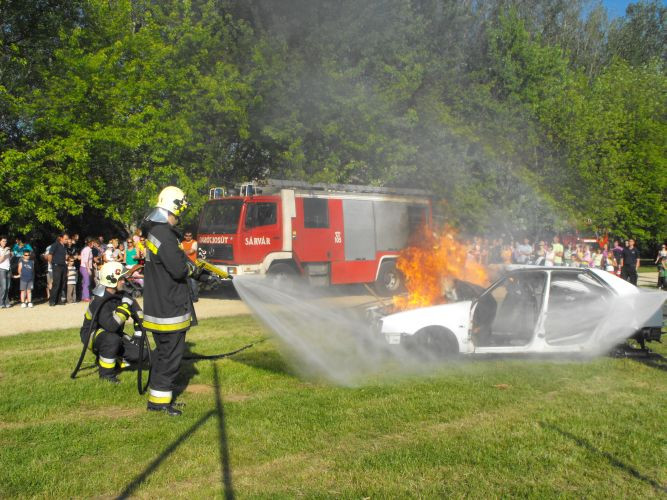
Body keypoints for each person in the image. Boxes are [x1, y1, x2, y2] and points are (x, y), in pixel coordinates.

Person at [142, 186, 217, 416]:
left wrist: (201, 272)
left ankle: (160, 398)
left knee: (165, 353)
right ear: (172, 208)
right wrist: (199, 273)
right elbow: (177, 268)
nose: (179, 218)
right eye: (178, 213)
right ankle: (160, 403)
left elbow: (175, 263)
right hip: (169, 308)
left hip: (160, 304)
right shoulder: (164, 234)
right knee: (170, 356)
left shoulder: (155, 232)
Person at [79, 261, 146, 383]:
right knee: (111, 339)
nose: (123, 281)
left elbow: (140, 316)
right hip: (91, 335)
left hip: (114, 334)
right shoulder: (99, 299)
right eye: (120, 279)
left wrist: (138, 335)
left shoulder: (122, 295)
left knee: (141, 355)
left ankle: (115, 357)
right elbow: (112, 326)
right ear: (112, 280)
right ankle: (106, 375)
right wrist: (125, 306)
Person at [48, 232, 69, 306]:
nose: (67, 240)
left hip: (63, 266)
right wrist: (52, 264)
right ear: (61, 238)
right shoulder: (55, 245)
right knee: (56, 283)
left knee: (62, 283)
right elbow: (50, 255)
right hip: (57, 266)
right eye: (65, 239)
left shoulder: (64, 247)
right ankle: (52, 300)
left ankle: (58, 300)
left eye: (67, 239)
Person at [181, 231, 199, 302]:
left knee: (193, 281)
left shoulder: (195, 242)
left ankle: (195, 297)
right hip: (185, 264)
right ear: (184, 236)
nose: (188, 237)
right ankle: (190, 297)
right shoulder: (182, 243)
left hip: (193, 264)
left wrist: (183, 251)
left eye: (190, 235)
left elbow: (191, 251)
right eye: (187, 235)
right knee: (187, 281)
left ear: (192, 236)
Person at [0, 236, 11, 308]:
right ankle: (1, 302)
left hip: (8, 269)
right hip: (2, 269)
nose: (5, 242)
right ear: (0, 242)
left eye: (6, 241)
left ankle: (6, 302)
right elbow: (0, 260)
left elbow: (9, 260)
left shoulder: (8, 250)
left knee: (8, 287)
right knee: (3, 287)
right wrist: (4, 251)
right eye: (3, 241)